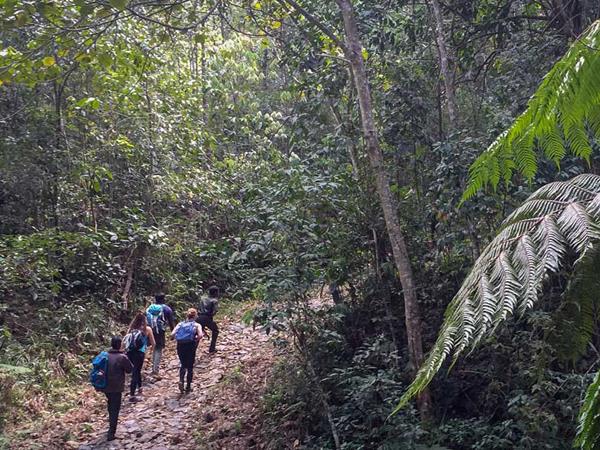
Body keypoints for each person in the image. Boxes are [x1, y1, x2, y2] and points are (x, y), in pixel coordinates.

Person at [104, 336, 133, 441]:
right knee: (115, 408)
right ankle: (111, 432)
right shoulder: (122, 357)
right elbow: (129, 370)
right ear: (119, 345)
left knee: (110, 404)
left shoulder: (105, 356)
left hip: (106, 386)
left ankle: (110, 425)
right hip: (116, 386)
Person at [124, 311, 155, 402]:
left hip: (130, 353)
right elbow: (153, 343)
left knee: (136, 370)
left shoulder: (131, 329)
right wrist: (150, 352)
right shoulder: (147, 329)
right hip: (140, 353)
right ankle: (132, 394)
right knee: (136, 371)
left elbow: (125, 340)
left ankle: (140, 387)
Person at [171, 308, 203, 393]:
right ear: (195, 316)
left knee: (183, 364)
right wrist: (195, 339)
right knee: (190, 367)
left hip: (180, 345)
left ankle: (181, 380)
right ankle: (188, 386)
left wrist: (175, 338)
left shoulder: (180, 324)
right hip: (190, 345)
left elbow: (172, 334)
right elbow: (200, 335)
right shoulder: (197, 325)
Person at [146, 293, 175, 379]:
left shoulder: (150, 308)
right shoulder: (167, 309)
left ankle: (141, 368)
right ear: (163, 299)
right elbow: (171, 322)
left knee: (148, 347)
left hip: (148, 330)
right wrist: (173, 333)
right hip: (160, 332)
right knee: (158, 349)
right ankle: (155, 370)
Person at [197, 285, 220, 354]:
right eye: (217, 292)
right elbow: (214, 311)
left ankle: (192, 350)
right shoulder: (214, 300)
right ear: (215, 293)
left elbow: (198, 307)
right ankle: (212, 348)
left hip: (199, 317)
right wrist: (211, 316)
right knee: (215, 331)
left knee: (197, 334)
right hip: (207, 317)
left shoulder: (202, 298)